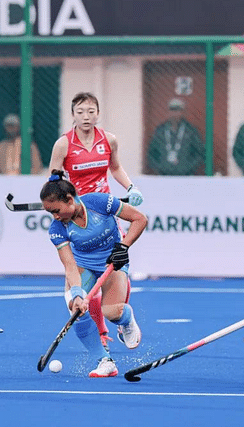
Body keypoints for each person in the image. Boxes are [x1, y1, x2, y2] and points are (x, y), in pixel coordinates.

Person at [48, 92, 144, 350]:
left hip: (104, 211)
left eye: (91, 111)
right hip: (77, 213)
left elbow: (115, 168)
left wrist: (131, 187)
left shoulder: (108, 139)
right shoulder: (63, 144)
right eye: (80, 112)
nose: (86, 117)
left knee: (113, 265)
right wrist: (59, 202)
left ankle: (121, 318)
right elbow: (54, 178)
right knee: (82, 281)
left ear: (98, 113)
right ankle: (101, 332)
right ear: (73, 115)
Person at [40, 170, 147, 377]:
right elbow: (70, 266)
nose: (54, 216)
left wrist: (123, 247)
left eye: (56, 210)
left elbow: (139, 219)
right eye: (50, 213)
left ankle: (126, 320)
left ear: (70, 199)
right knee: (76, 309)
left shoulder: (99, 202)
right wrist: (78, 295)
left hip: (112, 262)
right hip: (83, 266)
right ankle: (105, 361)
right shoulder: (57, 228)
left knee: (111, 312)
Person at [146, 98, 205, 175]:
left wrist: (188, 168)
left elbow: (199, 152)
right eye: (172, 110)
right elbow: (152, 152)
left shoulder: (191, 131)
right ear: (168, 112)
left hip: (186, 176)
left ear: (183, 112)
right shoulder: (160, 131)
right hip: (164, 175)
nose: (175, 113)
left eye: (178, 110)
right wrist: (160, 167)